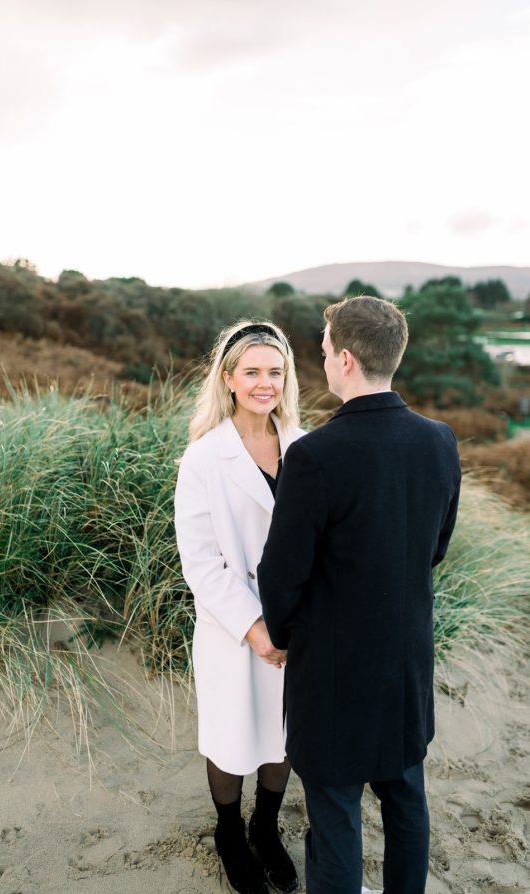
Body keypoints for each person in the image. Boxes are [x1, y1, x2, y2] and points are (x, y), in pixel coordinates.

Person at [258, 296, 461, 894]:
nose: (322, 360)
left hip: (334, 669)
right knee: (406, 800)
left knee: (335, 815)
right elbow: (435, 547)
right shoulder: (440, 440)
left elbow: (281, 574)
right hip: (406, 661)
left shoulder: (314, 455)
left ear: (345, 359)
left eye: (324, 351)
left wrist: (283, 635)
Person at [174, 320, 304, 894]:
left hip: (299, 623)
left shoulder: (306, 445)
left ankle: (265, 826)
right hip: (234, 626)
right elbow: (200, 561)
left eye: (275, 371)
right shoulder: (204, 457)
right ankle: (229, 831)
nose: (264, 383)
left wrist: (297, 621)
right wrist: (255, 628)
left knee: (284, 734)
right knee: (232, 735)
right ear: (228, 378)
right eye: (251, 371)